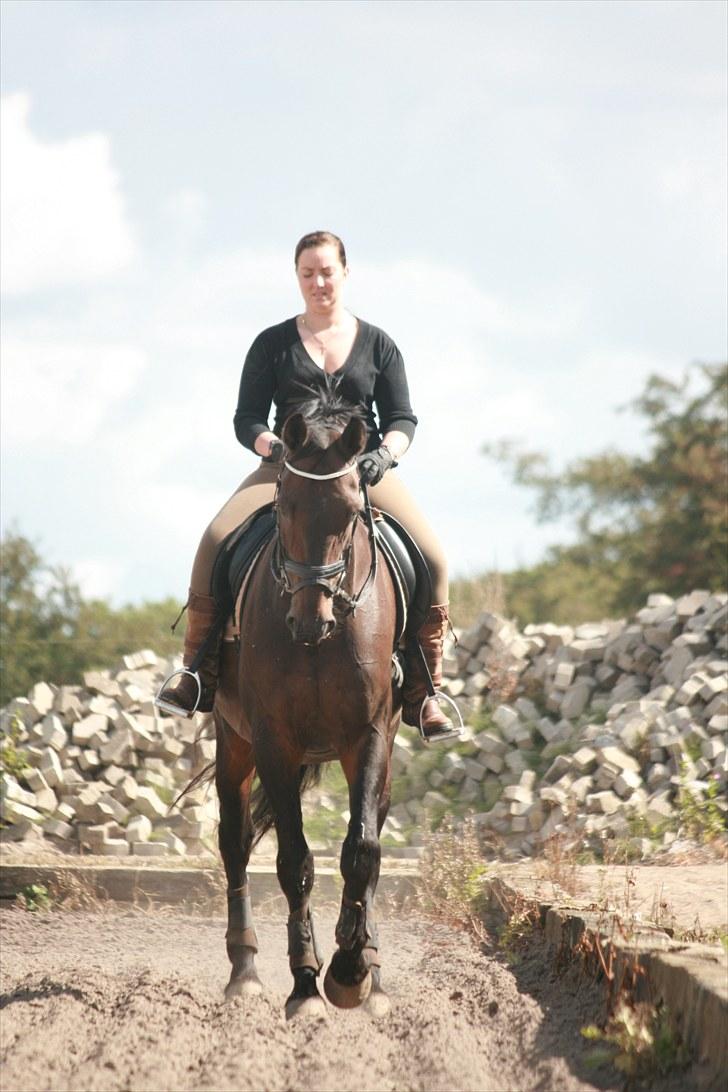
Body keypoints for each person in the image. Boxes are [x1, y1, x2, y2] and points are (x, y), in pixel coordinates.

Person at [156, 230, 458, 742]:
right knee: (213, 540)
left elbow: (403, 418)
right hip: (287, 471)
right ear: (297, 278)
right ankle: (195, 673)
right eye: (307, 274)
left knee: (434, 558)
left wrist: (385, 455)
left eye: (327, 272)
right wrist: (272, 448)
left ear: (345, 273)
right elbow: (246, 418)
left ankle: (426, 692)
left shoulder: (379, 344)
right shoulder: (272, 344)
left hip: (358, 474)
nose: (318, 282)